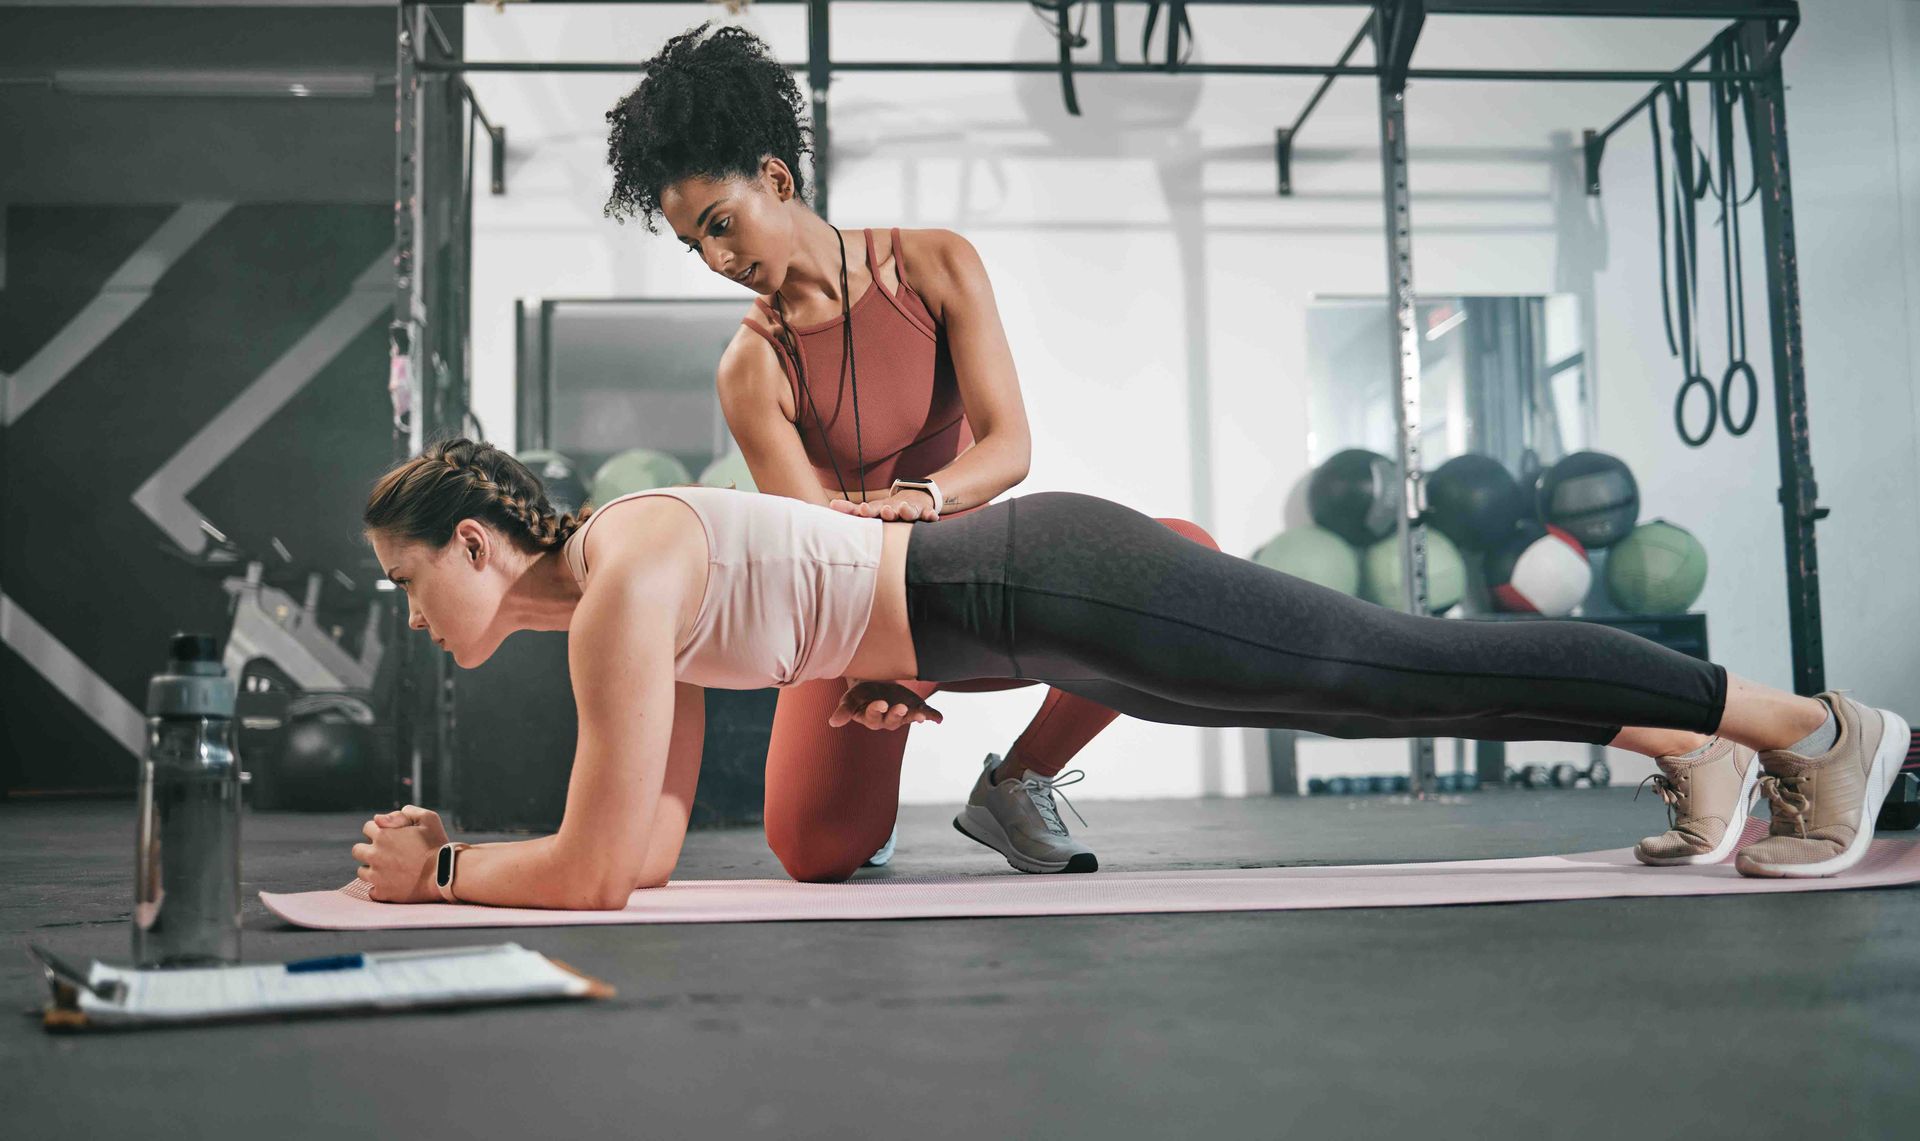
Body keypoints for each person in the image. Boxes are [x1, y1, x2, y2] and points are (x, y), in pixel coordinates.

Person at [352, 440, 1907, 908]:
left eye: (408, 578)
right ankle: (1688, 746)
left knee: (1393, 662)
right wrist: (494, 868)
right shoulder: (631, 593)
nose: (406, 610)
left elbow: (582, 876)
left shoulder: (628, 575)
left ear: (481, 544)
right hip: (1033, 608)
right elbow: (624, 855)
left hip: (1041, 578)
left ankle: (1809, 726)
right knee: (1385, 682)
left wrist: (441, 872)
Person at [601, 22, 1220, 880]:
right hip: (856, 618)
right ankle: (872, 789)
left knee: (1189, 565)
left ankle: (1017, 782)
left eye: (721, 223)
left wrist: (924, 500)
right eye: (694, 243)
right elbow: (810, 545)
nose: (716, 258)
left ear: (776, 179)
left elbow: (1010, 447)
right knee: (816, 851)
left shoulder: (934, 265)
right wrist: (873, 666)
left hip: (968, 582)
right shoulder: (750, 368)